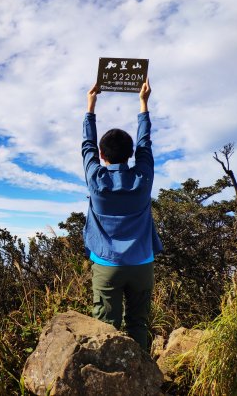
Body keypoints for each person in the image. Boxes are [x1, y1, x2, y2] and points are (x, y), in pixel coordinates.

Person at [82, 79, 163, 350]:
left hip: (107, 264)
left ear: (103, 156)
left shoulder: (97, 179)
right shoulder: (143, 178)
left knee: (106, 326)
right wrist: (143, 103)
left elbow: (87, 146)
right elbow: (145, 144)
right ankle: (143, 378)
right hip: (142, 263)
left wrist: (90, 107)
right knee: (138, 324)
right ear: (131, 154)